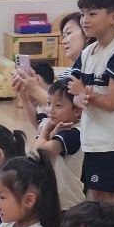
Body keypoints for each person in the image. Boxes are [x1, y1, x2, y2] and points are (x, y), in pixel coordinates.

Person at [66, 0, 114, 208]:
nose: (84, 20)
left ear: (113, 17)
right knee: (97, 193)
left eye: (92, 14)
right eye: (82, 14)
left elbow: (111, 102)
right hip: (93, 139)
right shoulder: (88, 52)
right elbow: (73, 87)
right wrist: (79, 97)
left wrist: (85, 94)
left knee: (112, 196)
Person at [33, 78, 87, 212]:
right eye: (49, 103)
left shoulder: (73, 133)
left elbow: (39, 150)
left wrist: (46, 130)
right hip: (56, 201)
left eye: (58, 105)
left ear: (77, 110)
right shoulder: (59, 128)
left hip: (68, 205)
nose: (50, 110)